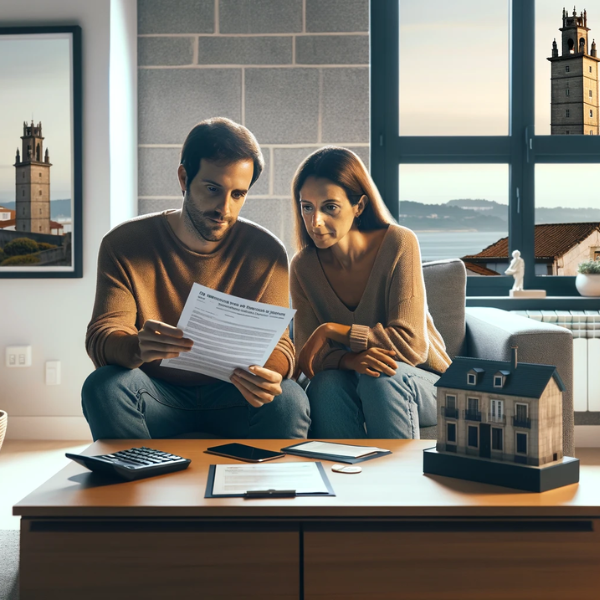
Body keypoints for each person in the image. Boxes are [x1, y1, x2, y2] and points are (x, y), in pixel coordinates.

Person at [82, 117, 310, 441]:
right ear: (183, 177)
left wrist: (269, 374)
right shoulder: (124, 244)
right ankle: (136, 478)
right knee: (103, 386)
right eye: (213, 189)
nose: (224, 208)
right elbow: (103, 336)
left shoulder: (267, 252)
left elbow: (281, 344)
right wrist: (136, 346)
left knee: (289, 399)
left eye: (238, 194)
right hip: (155, 395)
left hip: (234, 396)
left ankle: (268, 488)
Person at [289, 147, 450, 439]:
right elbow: (309, 357)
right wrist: (349, 360)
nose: (316, 222)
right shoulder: (303, 267)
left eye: (330, 207)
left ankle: (396, 482)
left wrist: (332, 330)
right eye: (307, 207)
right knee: (325, 385)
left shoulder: (399, 242)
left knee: (381, 377)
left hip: (423, 381)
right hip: (353, 378)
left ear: (359, 206)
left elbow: (411, 346)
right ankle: (344, 479)